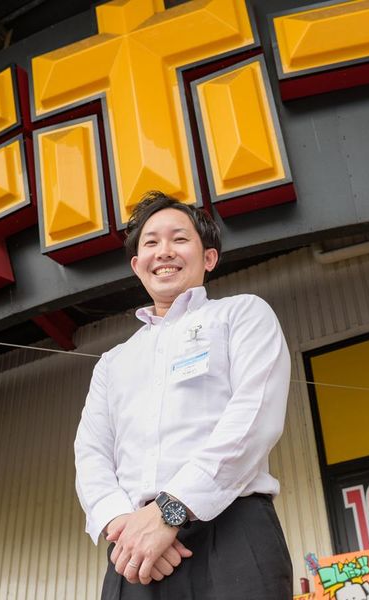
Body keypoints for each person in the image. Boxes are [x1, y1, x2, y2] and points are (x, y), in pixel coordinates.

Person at [74, 191, 293, 599]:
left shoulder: (242, 314)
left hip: (232, 532)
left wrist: (169, 511)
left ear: (208, 257)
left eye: (179, 239)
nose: (164, 251)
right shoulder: (112, 362)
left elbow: (254, 417)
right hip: (135, 552)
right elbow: (91, 453)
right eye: (151, 242)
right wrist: (122, 525)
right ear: (137, 265)